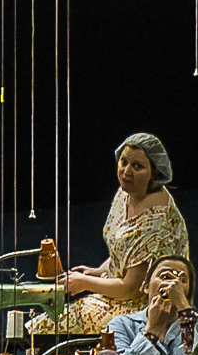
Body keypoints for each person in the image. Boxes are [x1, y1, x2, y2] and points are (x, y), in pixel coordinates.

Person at [57, 132, 187, 332]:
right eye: (123, 162)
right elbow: (124, 250)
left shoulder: (154, 222)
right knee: (55, 318)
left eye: (138, 166)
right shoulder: (127, 192)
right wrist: (99, 271)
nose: (126, 171)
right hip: (120, 294)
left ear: (154, 172)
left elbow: (131, 289)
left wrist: (85, 283)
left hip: (144, 308)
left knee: (53, 326)